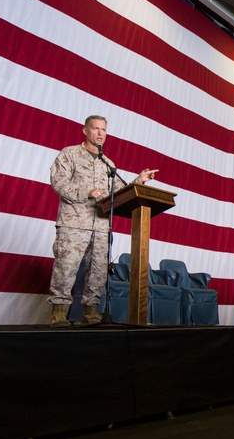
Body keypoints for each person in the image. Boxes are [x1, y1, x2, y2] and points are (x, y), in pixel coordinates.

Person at [48, 115, 158, 326]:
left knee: (98, 271)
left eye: (104, 130)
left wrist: (139, 180)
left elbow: (118, 192)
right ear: (85, 131)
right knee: (66, 267)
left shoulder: (107, 164)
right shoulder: (69, 154)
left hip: (100, 225)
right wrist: (87, 192)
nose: (100, 133)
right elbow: (59, 182)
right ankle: (59, 314)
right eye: (96, 129)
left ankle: (90, 313)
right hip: (74, 223)